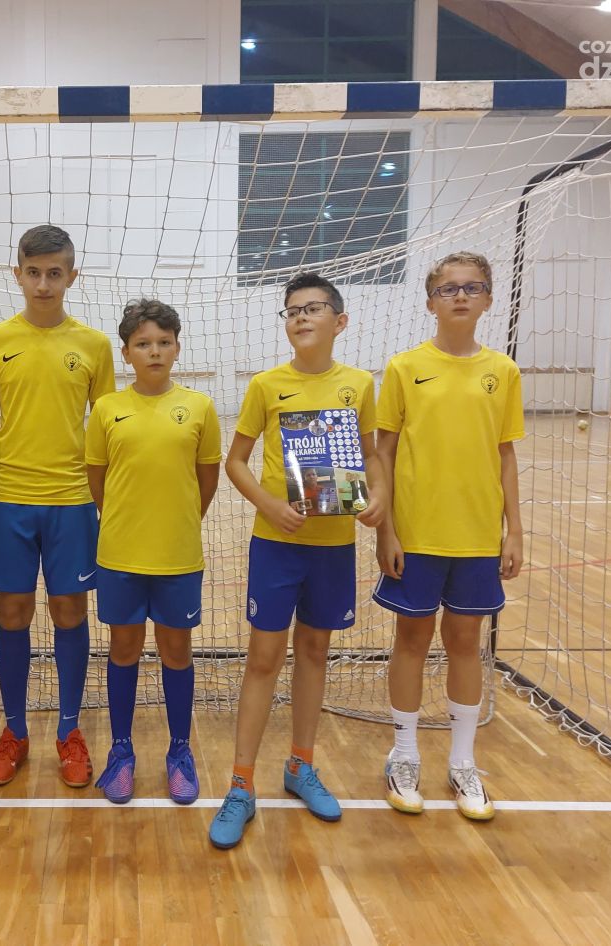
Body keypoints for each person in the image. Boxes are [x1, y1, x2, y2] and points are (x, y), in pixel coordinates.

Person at [209, 272, 387, 849]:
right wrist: (269, 504)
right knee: (264, 657)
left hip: (333, 547)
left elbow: (369, 457)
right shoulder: (267, 385)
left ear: (340, 321)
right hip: (277, 545)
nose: (301, 317)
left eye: (313, 308)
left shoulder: (358, 385)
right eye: (292, 310)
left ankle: (299, 766)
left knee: (314, 652)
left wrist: (378, 497)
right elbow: (235, 461)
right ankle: (241, 784)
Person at [373, 251, 524, 821]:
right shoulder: (404, 368)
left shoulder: (502, 372)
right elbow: (384, 453)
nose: (460, 296)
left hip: (478, 536)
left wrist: (514, 531)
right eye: (448, 288)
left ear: (488, 300)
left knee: (466, 643)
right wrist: (386, 529)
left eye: (472, 287)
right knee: (411, 640)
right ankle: (404, 756)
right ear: (430, 302)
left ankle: (463, 763)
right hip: (417, 534)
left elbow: (505, 455)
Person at [0, 225, 116, 789]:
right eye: (33, 272)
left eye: (55, 273)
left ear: (72, 276)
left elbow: (107, 438)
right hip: (9, 499)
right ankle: (13, 731)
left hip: (72, 502)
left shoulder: (94, 345)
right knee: (11, 614)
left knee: (70, 613)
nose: (43, 284)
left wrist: (108, 509)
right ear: (18, 274)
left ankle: (70, 731)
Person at [85, 299, 221, 805]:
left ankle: (179, 752)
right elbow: (97, 479)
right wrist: (126, 522)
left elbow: (206, 480)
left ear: (177, 347)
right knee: (123, 650)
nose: (155, 351)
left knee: (176, 651)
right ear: (126, 353)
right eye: (143, 343)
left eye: (164, 342)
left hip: (177, 556)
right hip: (120, 556)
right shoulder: (107, 409)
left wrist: (176, 522)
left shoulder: (199, 407)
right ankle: (121, 752)